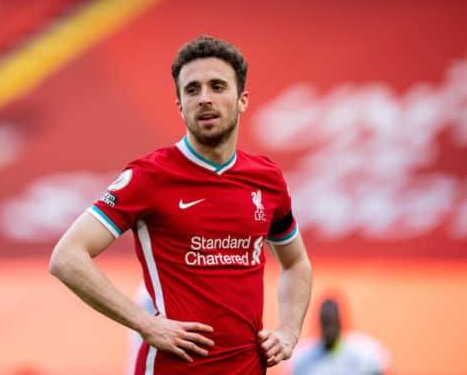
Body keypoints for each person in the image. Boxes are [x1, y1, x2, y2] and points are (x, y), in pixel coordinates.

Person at [49, 35, 313, 374]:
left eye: (217, 86)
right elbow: (66, 257)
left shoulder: (267, 178)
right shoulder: (150, 176)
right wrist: (145, 324)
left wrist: (289, 332)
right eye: (192, 90)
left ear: (242, 99)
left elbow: (296, 264)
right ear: (179, 105)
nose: (204, 99)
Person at [291, 297, 389, 375]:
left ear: (340, 322)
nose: (329, 330)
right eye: (325, 323)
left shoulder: (367, 353)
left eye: (332, 323)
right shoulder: (302, 359)